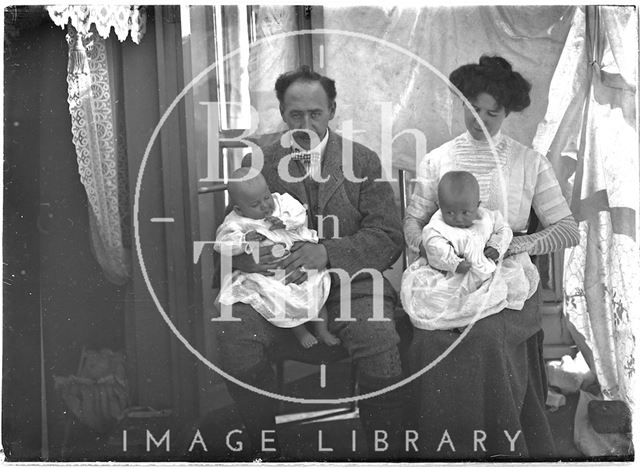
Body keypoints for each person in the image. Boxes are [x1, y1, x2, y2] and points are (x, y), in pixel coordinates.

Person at [214, 65, 406, 459]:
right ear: (283, 114)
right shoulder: (259, 162)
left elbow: (389, 236)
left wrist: (328, 253)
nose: (305, 123)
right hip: (277, 286)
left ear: (331, 110)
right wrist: (247, 261)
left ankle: (387, 455)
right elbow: (234, 227)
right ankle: (265, 449)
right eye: (295, 114)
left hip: (351, 283)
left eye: (315, 113)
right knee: (234, 331)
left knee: (378, 337)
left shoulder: (362, 161)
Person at [404, 55, 580, 459]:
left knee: (483, 337)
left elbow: (568, 229)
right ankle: (439, 449)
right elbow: (412, 222)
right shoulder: (437, 160)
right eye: (472, 108)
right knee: (432, 340)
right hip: (445, 270)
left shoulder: (528, 161)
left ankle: (499, 451)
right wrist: (432, 250)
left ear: (508, 112)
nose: (479, 119)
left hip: (508, 275)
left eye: (492, 112)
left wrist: (519, 245)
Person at [215, 168, 339, 348]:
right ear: (238, 209)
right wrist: (243, 241)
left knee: (316, 287)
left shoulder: (282, 203)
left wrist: (286, 222)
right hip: (269, 275)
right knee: (278, 300)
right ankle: (301, 332)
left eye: (266, 197)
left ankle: (322, 329)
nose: (265, 206)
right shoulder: (235, 222)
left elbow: (299, 213)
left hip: (302, 263)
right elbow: (222, 243)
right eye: (256, 204)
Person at [400, 170, 538, 331]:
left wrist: (496, 246)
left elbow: (503, 230)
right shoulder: (436, 224)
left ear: (477, 206)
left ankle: (478, 313)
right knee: (433, 297)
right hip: (451, 274)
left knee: (510, 280)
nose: (458, 218)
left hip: (486, 268)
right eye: (449, 212)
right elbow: (433, 245)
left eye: (465, 212)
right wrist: (453, 262)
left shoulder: (489, 217)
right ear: (440, 206)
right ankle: (457, 319)